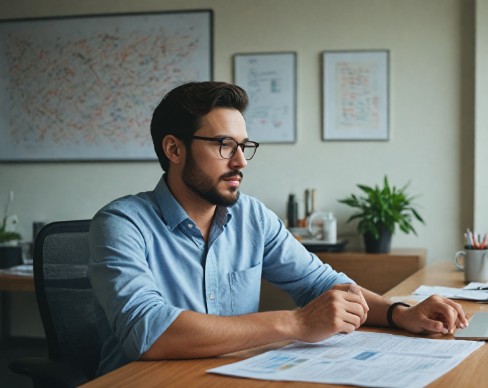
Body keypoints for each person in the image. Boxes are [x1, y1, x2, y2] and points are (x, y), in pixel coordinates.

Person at [88, 81, 468, 376]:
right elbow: (149, 332)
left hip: (231, 376)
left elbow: (320, 284)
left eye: (244, 146)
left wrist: (399, 312)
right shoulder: (122, 223)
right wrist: (297, 322)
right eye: (224, 145)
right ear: (174, 149)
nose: (241, 161)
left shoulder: (252, 217)